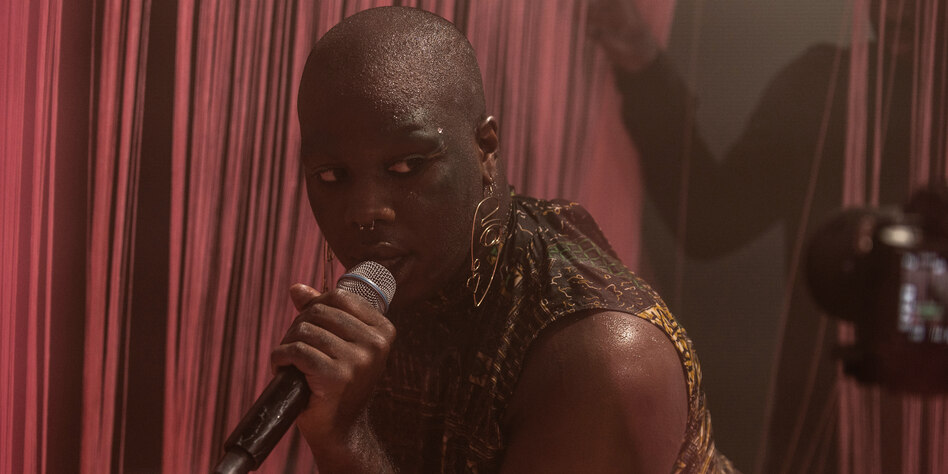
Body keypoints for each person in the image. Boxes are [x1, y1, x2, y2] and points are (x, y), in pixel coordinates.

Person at [269, 6, 736, 473]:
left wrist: (346, 440)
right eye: (331, 175)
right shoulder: (412, 278)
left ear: (486, 149)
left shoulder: (603, 357)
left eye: (407, 166)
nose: (365, 210)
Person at [590, 0, 947, 472]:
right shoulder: (824, 87)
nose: (897, 13)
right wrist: (644, 67)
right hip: (829, 440)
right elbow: (712, 218)